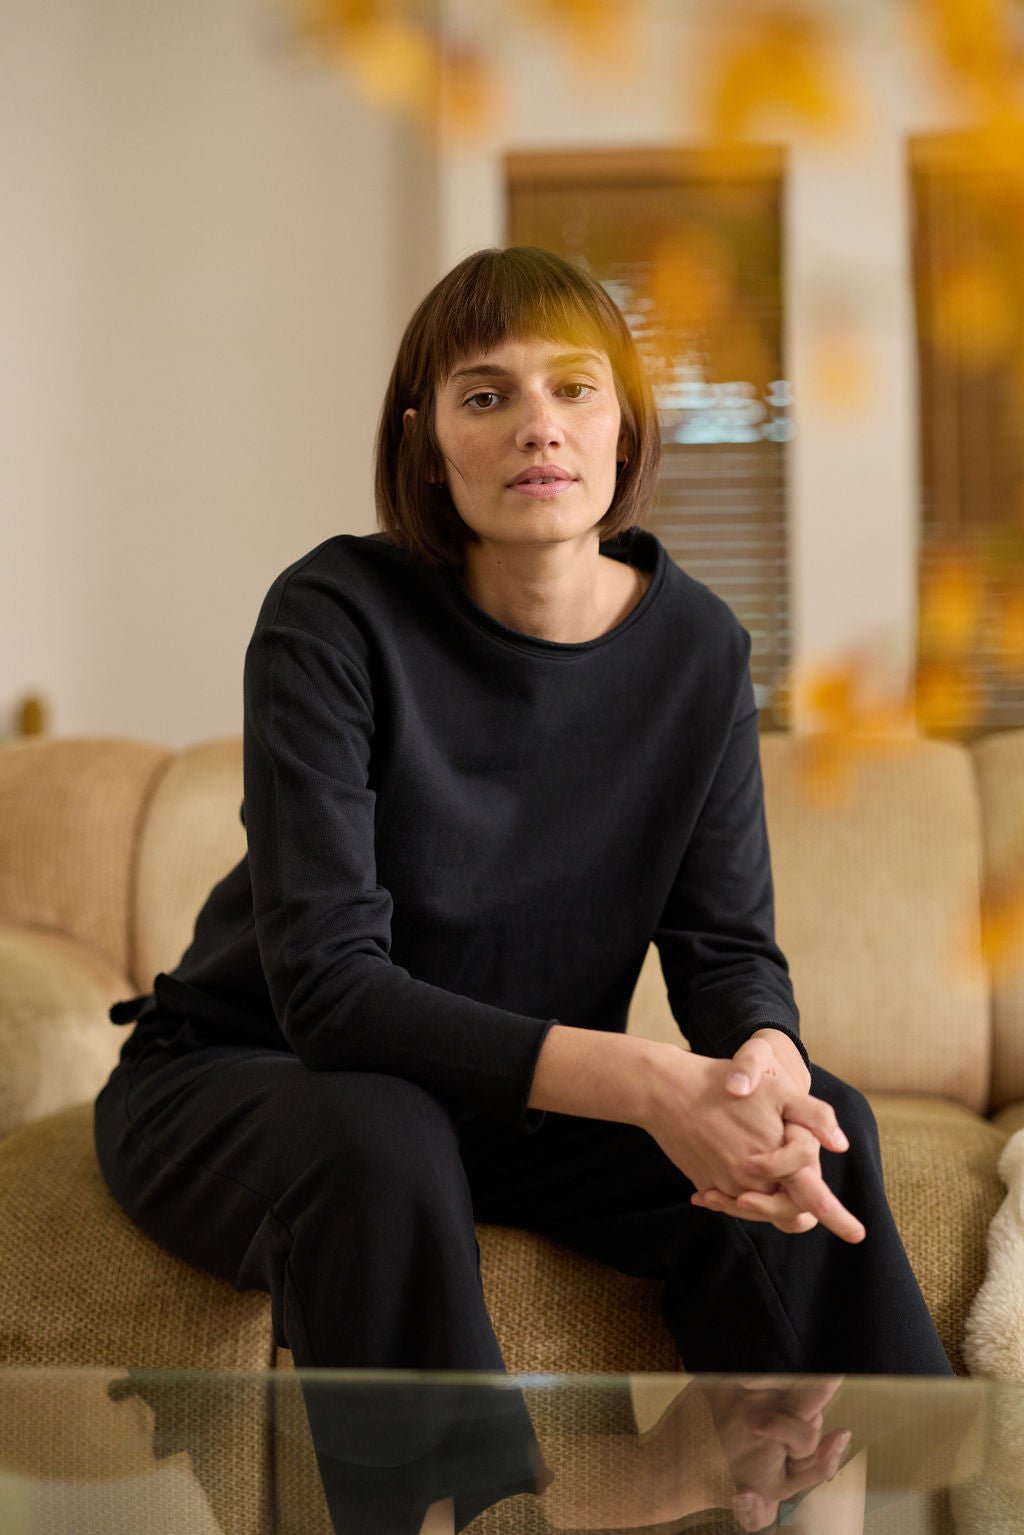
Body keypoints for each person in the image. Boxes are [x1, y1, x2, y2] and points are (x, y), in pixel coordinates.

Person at [94, 246, 951, 1534]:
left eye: (575, 388)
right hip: (254, 1076)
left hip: (504, 1100)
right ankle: (501, 1518)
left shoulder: (700, 647)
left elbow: (723, 949)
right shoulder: (332, 616)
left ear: (625, 425)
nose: (539, 424)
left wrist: (759, 1057)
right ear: (427, 442)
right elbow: (330, 995)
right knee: (384, 1137)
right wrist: (656, 1084)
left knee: (810, 1119)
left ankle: (863, 1496)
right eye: (485, 395)